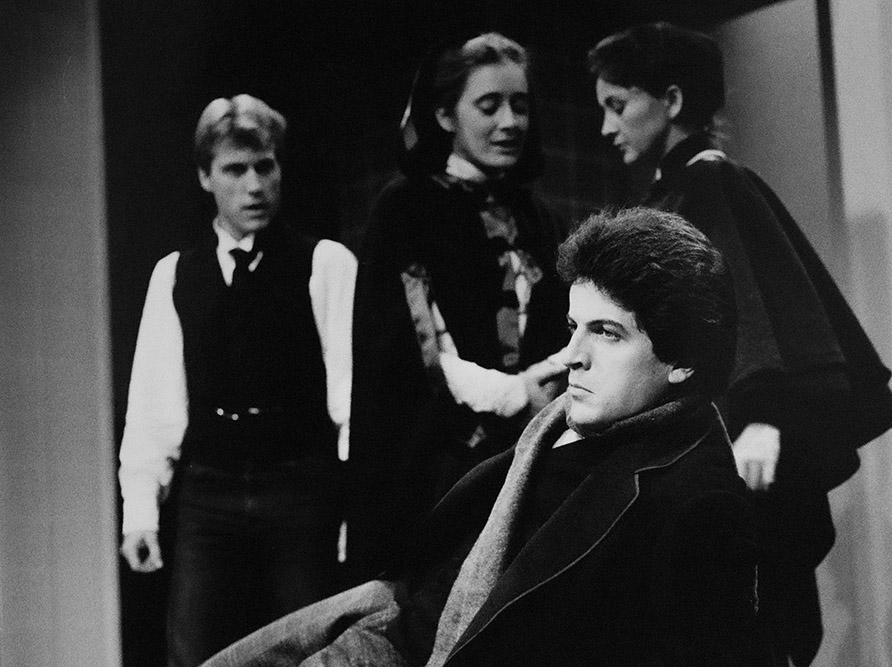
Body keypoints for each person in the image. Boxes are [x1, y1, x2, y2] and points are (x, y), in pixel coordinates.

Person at [203, 206, 763, 667]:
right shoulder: (559, 428)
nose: (573, 357)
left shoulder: (698, 501)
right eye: (574, 328)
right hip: (398, 618)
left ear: (683, 360)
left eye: (607, 334)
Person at [588, 22, 892, 666]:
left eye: (618, 105)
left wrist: (761, 414)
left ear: (671, 101)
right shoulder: (669, 194)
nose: (604, 127)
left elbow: (761, 309)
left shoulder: (714, 184)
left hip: (739, 448)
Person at [117, 94, 357, 667]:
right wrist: (140, 512)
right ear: (206, 177)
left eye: (265, 167)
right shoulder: (176, 275)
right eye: (235, 169)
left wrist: (355, 507)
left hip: (299, 490)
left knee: (312, 653)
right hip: (210, 497)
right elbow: (154, 407)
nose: (254, 186)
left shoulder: (325, 264)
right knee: (195, 654)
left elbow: (353, 401)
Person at [347, 33, 569, 575]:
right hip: (440, 467)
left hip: (533, 459)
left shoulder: (540, 218)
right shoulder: (407, 208)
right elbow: (412, 344)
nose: (510, 122)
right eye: (489, 106)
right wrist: (511, 392)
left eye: (520, 105)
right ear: (446, 115)